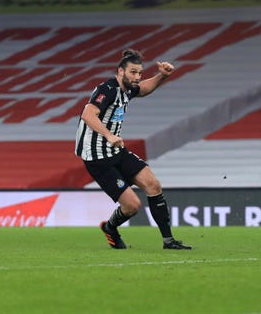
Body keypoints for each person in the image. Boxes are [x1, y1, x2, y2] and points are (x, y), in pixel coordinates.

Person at [75, 49, 192, 250]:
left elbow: (145, 89)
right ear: (120, 71)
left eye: (140, 73)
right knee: (132, 206)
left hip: (116, 151)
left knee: (153, 185)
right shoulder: (108, 89)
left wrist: (162, 75)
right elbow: (88, 114)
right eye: (133, 73)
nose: (138, 77)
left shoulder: (129, 88)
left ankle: (168, 241)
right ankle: (110, 228)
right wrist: (109, 135)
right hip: (97, 157)